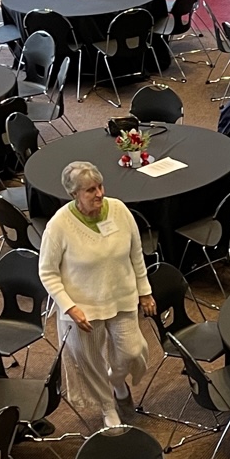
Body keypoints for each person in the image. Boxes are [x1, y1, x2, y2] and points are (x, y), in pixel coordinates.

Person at [37, 161, 155, 429]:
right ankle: (108, 407)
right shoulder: (59, 226)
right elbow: (47, 272)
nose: (99, 193)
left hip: (121, 298)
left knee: (132, 351)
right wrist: (69, 307)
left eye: (100, 186)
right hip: (83, 309)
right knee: (91, 363)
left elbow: (136, 253)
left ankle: (117, 382)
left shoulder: (120, 211)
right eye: (90, 190)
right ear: (74, 194)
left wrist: (145, 292)